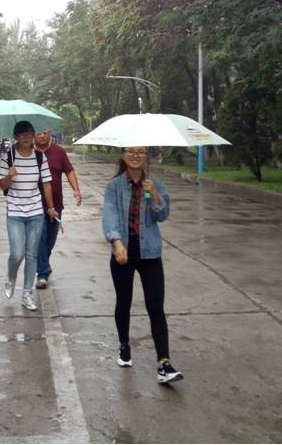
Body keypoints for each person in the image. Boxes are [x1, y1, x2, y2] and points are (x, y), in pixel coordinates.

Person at [101, 146, 183, 385]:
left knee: (155, 306)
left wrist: (154, 195)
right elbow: (109, 216)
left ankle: (164, 363)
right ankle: (124, 346)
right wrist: (116, 242)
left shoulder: (155, 184)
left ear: (147, 156)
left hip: (150, 252)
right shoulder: (114, 186)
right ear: (123, 155)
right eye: (131, 151)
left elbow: (162, 215)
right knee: (123, 301)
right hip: (123, 251)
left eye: (141, 152)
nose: (135, 156)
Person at [0, 121, 57, 311]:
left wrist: (51, 207)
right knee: (17, 254)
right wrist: (9, 176)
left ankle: (27, 294)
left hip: (36, 212)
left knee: (32, 254)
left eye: (30, 134)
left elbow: (46, 184)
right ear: (16, 137)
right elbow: (2, 186)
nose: (27, 138)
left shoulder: (40, 157)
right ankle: (11, 277)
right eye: (23, 135)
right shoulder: (8, 157)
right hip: (15, 212)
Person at [34, 129, 82, 289]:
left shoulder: (59, 151)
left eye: (45, 132)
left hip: (56, 204)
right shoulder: (28, 153)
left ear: (50, 134)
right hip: (34, 205)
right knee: (40, 237)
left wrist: (76, 190)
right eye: (38, 133)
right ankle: (42, 274)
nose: (42, 136)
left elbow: (69, 171)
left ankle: (44, 262)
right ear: (33, 135)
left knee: (50, 239)